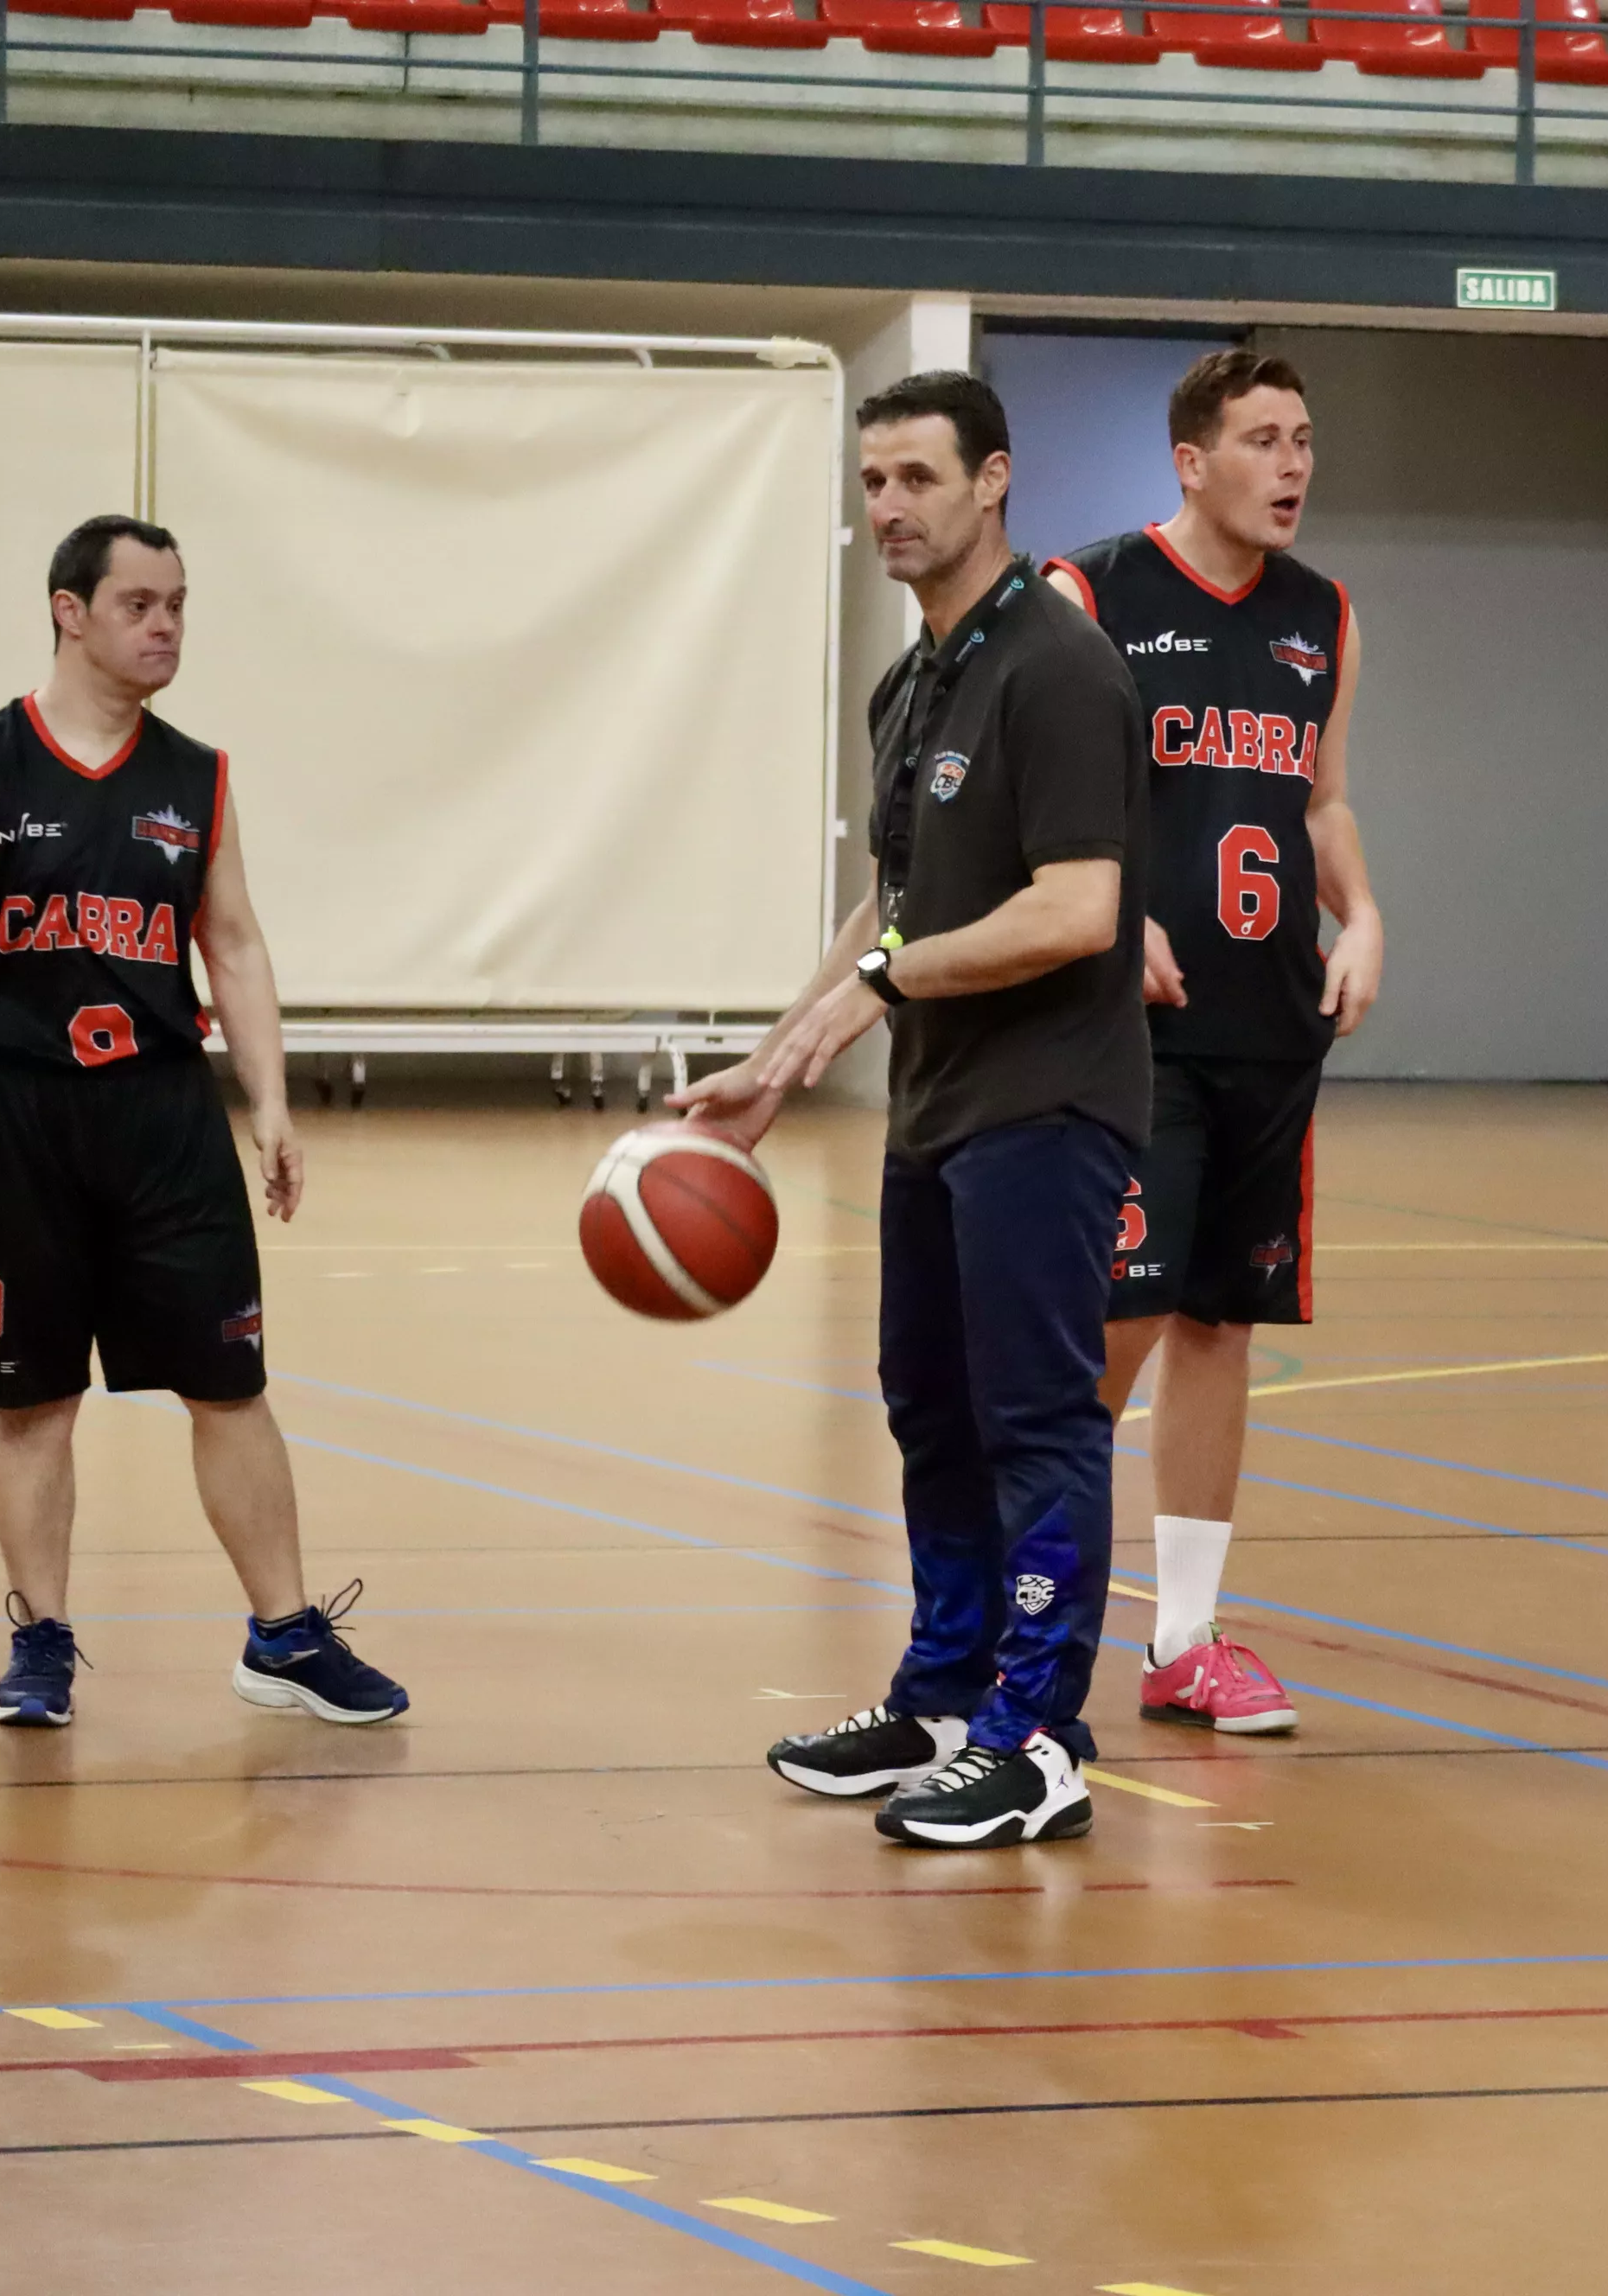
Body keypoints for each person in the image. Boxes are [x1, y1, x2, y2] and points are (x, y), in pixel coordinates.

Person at [682, 369, 1152, 1849]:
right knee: (927, 1414)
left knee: (1032, 1419)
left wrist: (881, 988)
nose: (886, 507)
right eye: (870, 481)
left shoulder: (1061, 667)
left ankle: (1038, 1734)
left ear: (993, 481)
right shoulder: (913, 682)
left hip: (1048, 1106)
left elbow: (1076, 910)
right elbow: (895, 902)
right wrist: (777, 1059)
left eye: (916, 480)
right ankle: (945, 1693)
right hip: (938, 1112)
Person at [0, 513, 409, 1732]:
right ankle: (43, 1642)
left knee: (229, 1380)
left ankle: (283, 1634)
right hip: (16, 1115)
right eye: (139, 604)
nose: (165, 625)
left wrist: (269, 1099)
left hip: (164, 1116)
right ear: (70, 611)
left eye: (178, 604)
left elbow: (233, 940)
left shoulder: (195, 774)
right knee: (33, 1400)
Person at [1036, 348, 1386, 1737]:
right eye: (1261, 439)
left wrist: (1364, 917)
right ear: (1192, 461)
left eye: (1304, 437)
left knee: (1222, 1323)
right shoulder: (1091, 593)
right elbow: (1041, 800)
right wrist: (1114, 927)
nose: (1292, 464)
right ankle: (1032, 1629)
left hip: (1272, 1027)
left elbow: (1325, 800)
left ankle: (1185, 1640)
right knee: (1106, 1336)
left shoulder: (1325, 615)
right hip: (1136, 1036)